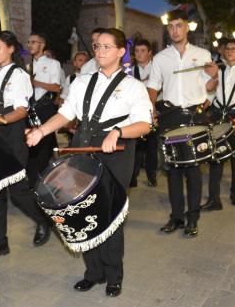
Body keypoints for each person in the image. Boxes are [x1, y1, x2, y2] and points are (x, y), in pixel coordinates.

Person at [27, 28, 152, 297]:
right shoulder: (82, 82)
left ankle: (113, 275)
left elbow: (144, 124)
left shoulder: (133, 86)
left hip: (116, 152)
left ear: (121, 52)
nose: (101, 51)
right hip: (81, 148)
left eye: (107, 47)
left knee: (109, 215)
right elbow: (65, 113)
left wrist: (118, 131)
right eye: (97, 46)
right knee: (79, 212)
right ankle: (93, 272)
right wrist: (41, 131)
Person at [0, 30, 53, 262]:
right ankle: (0, 242)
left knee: (18, 192)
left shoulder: (20, 76)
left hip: (13, 136)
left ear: (11, 49)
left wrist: (2, 119)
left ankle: (43, 220)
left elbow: (21, 110)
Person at [147, 9, 218, 237]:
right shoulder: (160, 58)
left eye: (179, 25)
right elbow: (153, 87)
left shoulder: (202, 54)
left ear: (187, 27)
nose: (175, 30)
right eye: (171, 26)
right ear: (168, 29)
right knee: (173, 170)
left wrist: (215, 75)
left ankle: (193, 219)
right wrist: (150, 111)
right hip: (170, 116)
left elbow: (210, 88)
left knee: (194, 170)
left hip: (195, 116)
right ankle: (176, 217)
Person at [202, 38, 235, 210]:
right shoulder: (220, 71)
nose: (230, 51)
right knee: (215, 156)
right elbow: (210, 92)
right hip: (218, 115)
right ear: (224, 52)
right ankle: (214, 199)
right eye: (228, 49)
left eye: (234, 49)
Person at [26, 33, 62, 189]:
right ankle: (32, 179)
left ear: (42, 44)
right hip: (29, 109)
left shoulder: (53, 64)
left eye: (34, 42)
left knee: (44, 146)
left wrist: (35, 83)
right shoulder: (27, 66)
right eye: (28, 42)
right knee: (30, 144)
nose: (30, 45)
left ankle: (43, 179)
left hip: (45, 107)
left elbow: (56, 87)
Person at [129, 39, 159, 188]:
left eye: (143, 51)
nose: (139, 54)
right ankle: (133, 176)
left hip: (154, 111)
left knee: (152, 146)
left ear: (150, 53)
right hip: (136, 112)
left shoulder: (156, 68)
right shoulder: (129, 71)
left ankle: (151, 175)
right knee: (136, 146)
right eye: (137, 51)